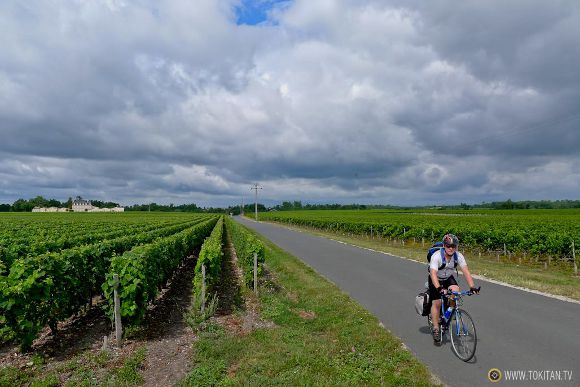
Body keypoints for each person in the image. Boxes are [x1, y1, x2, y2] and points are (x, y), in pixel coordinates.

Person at [428, 233, 479, 345]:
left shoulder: (458, 256)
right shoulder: (436, 256)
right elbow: (433, 273)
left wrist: (472, 286)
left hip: (448, 277)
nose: (451, 248)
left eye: (453, 246)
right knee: (437, 302)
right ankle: (436, 327)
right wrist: (438, 288)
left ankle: (448, 313)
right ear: (444, 246)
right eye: (448, 246)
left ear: (456, 247)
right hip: (435, 279)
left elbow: (466, 271)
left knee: (455, 291)